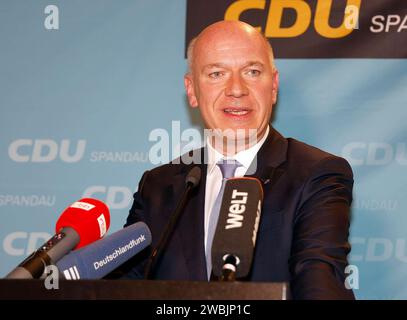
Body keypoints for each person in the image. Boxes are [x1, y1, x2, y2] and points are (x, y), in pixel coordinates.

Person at [122, 20, 355, 300]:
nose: (236, 89)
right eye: (217, 73)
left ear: (273, 86)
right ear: (192, 90)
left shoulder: (317, 174)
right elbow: (123, 287)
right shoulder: (158, 186)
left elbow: (319, 282)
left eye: (252, 71)